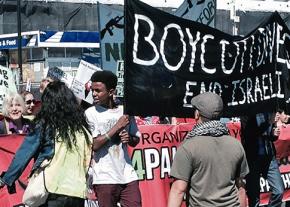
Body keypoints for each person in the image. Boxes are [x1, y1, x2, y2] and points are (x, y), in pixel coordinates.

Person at [0, 81, 92, 206]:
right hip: (77, 192)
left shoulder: (46, 125)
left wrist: (5, 179)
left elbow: (24, 154)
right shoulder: (82, 129)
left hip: (52, 191)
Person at [168, 92, 249, 207]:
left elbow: (178, 190)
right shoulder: (236, 144)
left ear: (197, 114)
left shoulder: (188, 147)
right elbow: (240, 187)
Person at [85, 70, 141, 207]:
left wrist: (129, 138)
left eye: (98, 90)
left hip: (128, 174)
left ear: (111, 92)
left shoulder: (125, 111)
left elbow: (136, 139)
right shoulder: (90, 113)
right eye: (93, 90)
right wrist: (117, 127)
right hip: (105, 176)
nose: (94, 94)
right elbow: (94, 145)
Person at [240, 112, 284, 207]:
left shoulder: (269, 112)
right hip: (253, 158)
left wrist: (274, 134)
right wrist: (268, 122)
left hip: (269, 157)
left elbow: (271, 135)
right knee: (254, 196)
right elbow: (249, 135)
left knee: (279, 191)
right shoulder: (246, 113)